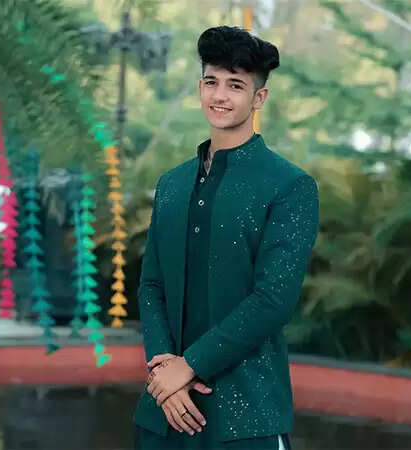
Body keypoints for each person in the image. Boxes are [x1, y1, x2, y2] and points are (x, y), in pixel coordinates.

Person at [133, 25, 319, 450]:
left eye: (235, 85)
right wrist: (164, 373)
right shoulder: (172, 183)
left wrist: (189, 366)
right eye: (211, 82)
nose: (220, 95)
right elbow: (152, 285)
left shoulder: (289, 186)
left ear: (259, 98)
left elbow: (273, 300)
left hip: (247, 416)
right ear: (200, 87)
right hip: (164, 413)